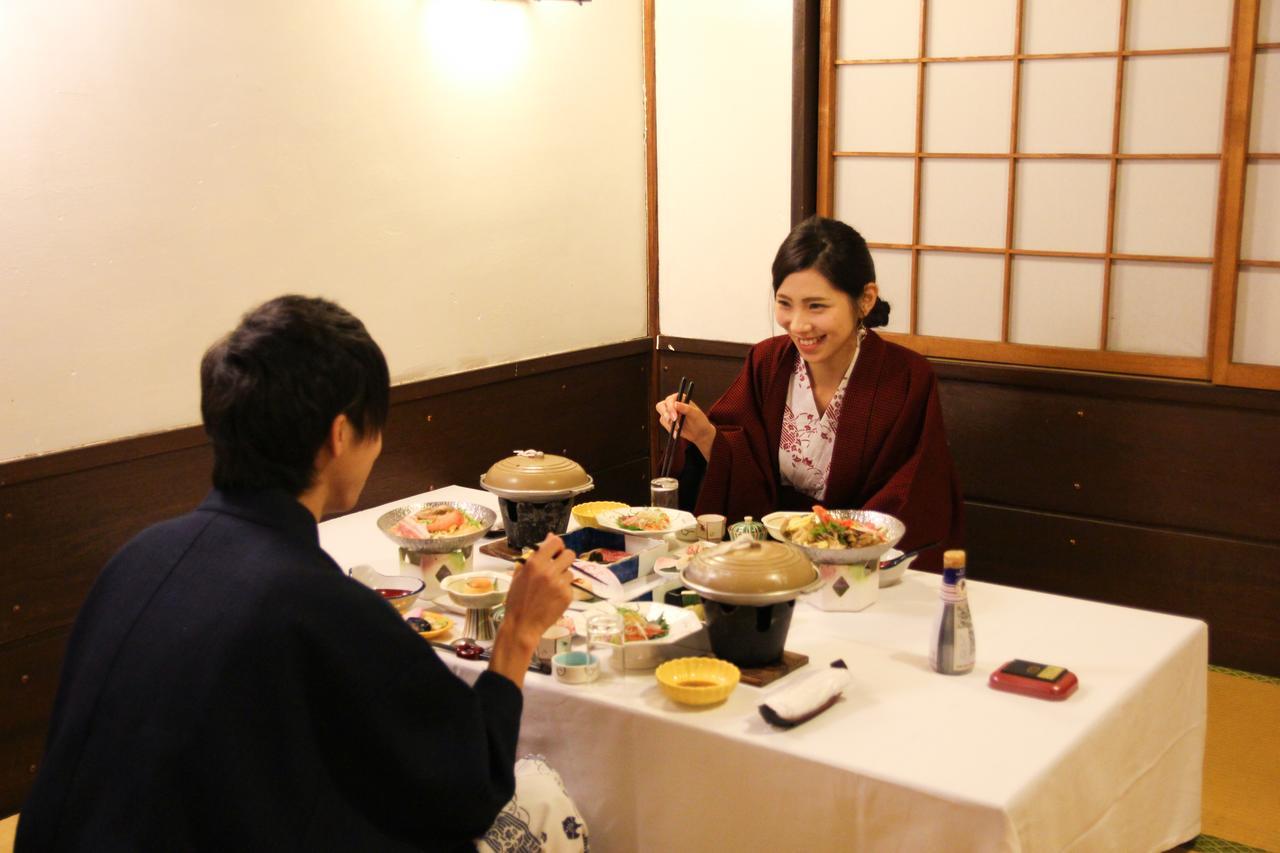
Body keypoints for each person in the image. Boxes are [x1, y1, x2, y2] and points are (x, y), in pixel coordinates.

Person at [17, 296, 584, 852]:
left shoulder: (136, 559)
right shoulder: (317, 605)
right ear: (339, 437)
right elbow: (468, 789)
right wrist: (516, 634)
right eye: (376, 426)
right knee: (540, 799)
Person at [656, 217, 962, 570]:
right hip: (773, 565)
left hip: (862, 568)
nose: (798, 324)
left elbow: (912, 495)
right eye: (785, 303)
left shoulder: (907, 378)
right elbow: (745, 466)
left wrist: (834, 545)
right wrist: (705, 435)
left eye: (817, 306)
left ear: (864, 300)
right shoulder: (767, 361)